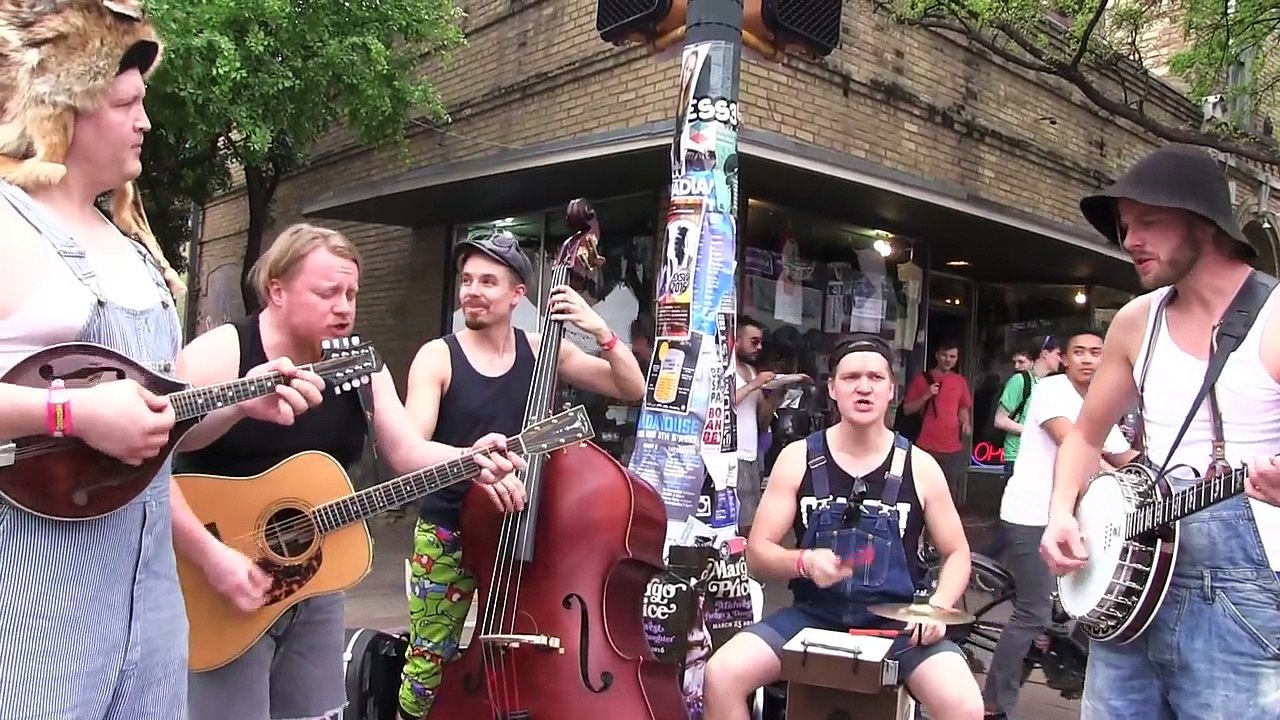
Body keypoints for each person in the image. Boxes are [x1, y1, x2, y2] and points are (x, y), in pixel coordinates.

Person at [0, 7, 323, 717]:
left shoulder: (137, 251)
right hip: (32, 606)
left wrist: (237, 399)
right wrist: (70, 411)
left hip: (150, 606)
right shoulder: (8, 224)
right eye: (126, 103)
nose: (145, 121)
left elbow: (158, 438)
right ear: (69, 108)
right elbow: (88, 421)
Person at [173, 224, 527, 720]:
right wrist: (212, 555)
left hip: (313, 578)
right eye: (327, 292)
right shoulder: (223, 352)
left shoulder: (358, 362)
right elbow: (156, 459)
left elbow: (405, 450)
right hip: (217, 577)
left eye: (352, 293)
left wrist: (471, 458)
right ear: (276, 290)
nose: (344, 306)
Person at [1040, 144, 1280, 719]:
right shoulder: (1134, 320)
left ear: (1204, 225)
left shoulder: (1275, 319)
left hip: (1241, 593)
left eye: (1149, 222)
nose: (1130, 240)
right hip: (1133, 576)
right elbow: (1084, 437)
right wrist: (1060, 514)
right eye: (1125, 226)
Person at [398, 228, 647, 718]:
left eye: (488, 281)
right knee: (427, 665)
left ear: (518, 294)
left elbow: (631, 387)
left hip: (525, 531)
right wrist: (472, 463)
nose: (472, 290)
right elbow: (411, 448)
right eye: (467, 280)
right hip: (451, 529)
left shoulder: (541, 349)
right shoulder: (438, 356)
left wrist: (603, 332)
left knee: (525, 655)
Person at [702, 334, 983, 720]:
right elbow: (758, 553)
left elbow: (957, 553)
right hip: (813, 617)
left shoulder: (920, 465)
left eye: (875, 377)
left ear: (892, 390)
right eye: (851, 377)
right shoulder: (797, 457)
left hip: (897, 627)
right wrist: (802, 563)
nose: (863, 387)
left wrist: (936, 608)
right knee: (722, 673)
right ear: (833, 389)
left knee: (964, 706)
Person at [983, 329, 1135, 719]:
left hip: (1073, 519)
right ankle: (993, 703)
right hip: (1033, 515)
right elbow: (1075, 441)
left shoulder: (1100, 402)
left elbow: (1124, 457)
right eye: (1078, 352)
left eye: (1096, 353)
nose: (1087, 359)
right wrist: (1106, 471)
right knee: (1032, 612)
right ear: (1063, 358)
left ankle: (1053, 663)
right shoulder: (1051, 391)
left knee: (1087, 606)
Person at [903, 340, 973, 499]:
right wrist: (926, 395)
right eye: (944, 355)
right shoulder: (922, 379)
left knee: (949, 492)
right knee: (921, 490)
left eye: (952, 356)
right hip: (926, 445)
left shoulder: (960, 381)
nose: (948, 359)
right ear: (937, 356)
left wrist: (966, 423)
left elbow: (963, 407)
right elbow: (907, 409)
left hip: (952, 447)